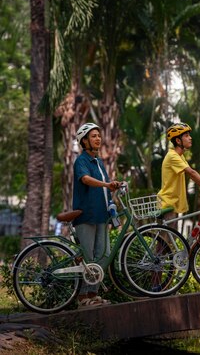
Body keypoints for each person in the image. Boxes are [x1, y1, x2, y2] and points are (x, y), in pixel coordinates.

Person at [72, 122, 121, 307]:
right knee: (89, 258)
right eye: (93, 136)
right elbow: (85, 179)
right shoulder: (81, 161)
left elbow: (106, 188)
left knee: (104, 255)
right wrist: (107, 185)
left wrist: (112, 192)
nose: (98, 138)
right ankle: (82, 298)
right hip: (86, 215)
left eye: (98, 135)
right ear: (84, 141)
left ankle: (93, 294)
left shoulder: (99, 162)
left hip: (102, 215)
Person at [157, 122, 200, 217]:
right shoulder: (172, 156)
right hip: (168, 203)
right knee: (169, 232)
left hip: (172, 203)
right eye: (186, 136)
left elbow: (193, 176)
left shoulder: (179, 156)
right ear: (178, 141)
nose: (190, 138)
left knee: (172, 232)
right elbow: (192, 172)